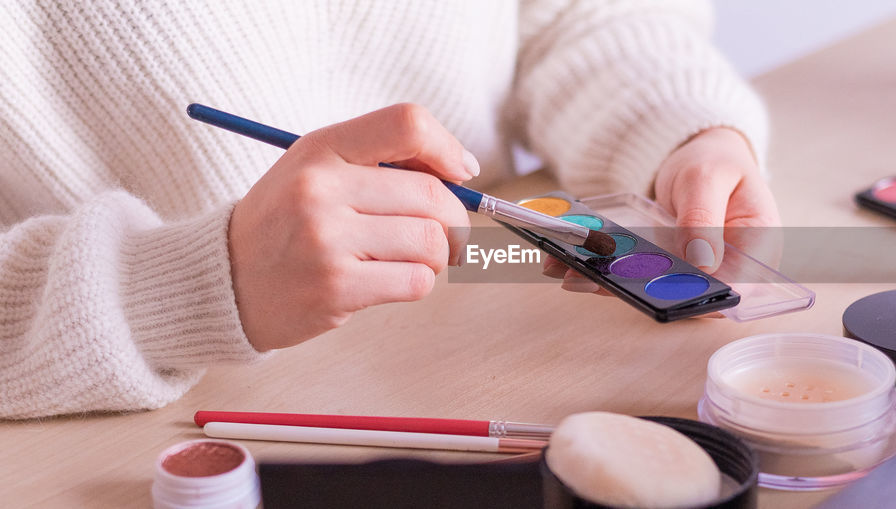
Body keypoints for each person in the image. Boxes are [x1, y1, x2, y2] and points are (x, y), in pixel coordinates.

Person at [0, 1, 778, 419]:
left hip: (499, 323)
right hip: (176, 418)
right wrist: (184, 285)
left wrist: (674, 124)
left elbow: (576, 12)